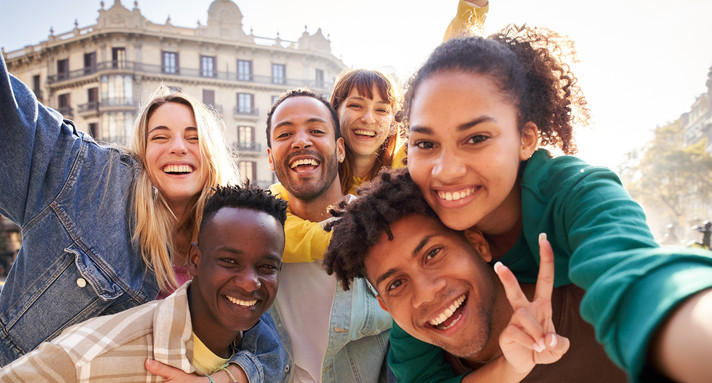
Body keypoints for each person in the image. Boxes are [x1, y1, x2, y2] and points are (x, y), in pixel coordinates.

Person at [387, 25, 712, 382]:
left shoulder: (573, 191)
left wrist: (690, 328)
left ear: (526, 139)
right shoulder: (417, 225)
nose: (445, 171)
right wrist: (508, 368)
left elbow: (637, 279)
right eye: (425, 144)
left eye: (476, 138)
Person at [0, 54, 239, 366]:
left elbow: (264, 342)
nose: (178, 147)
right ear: (141, 151)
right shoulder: (89, 180)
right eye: (160, 137)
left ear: (211, 155)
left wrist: (235, 373)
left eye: (194, 138)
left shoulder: (235, 233)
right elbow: (14, 119)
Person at [323, 168, 629, 382]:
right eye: (397, 284)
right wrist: (509, 370)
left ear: (477, 243)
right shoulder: (420, 356)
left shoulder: (599, 308)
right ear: (386, 308)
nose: (427, 292)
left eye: (433, 254)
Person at [0, 184, 289, 382]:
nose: (251, 283)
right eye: (229, 261)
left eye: (266, 267)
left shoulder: (264, 356)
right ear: (196, 261)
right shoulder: (88, 356)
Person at [265, 89, 392, 382]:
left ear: (340, 149)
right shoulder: (254, 240)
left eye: (316, 130)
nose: (301, 141)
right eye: (285, 134)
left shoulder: (382, 230)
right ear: (270, 159)